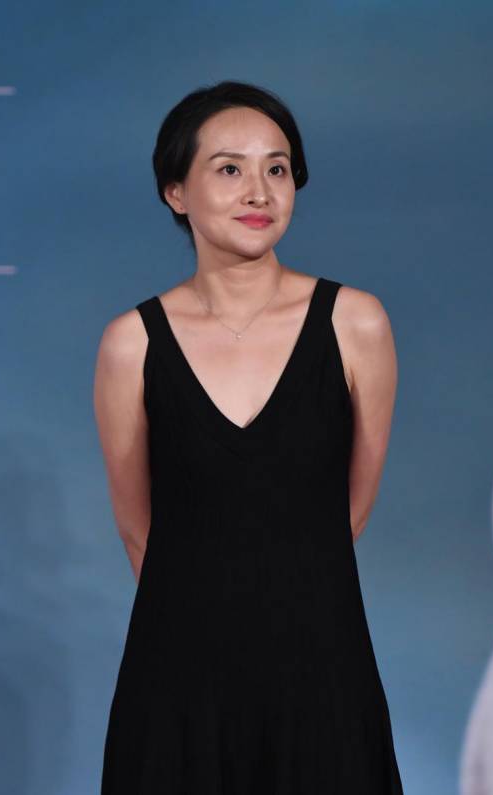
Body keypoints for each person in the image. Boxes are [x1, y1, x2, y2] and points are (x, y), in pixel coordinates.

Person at [94, 79, 402, 793]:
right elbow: (138, 529)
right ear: (176, 192)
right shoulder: (130, 342)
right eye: (229, 168)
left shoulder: (356, 323)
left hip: (323, 670)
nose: (259, 191)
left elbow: (347, 511)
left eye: (278, 168)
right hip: (176, 680)